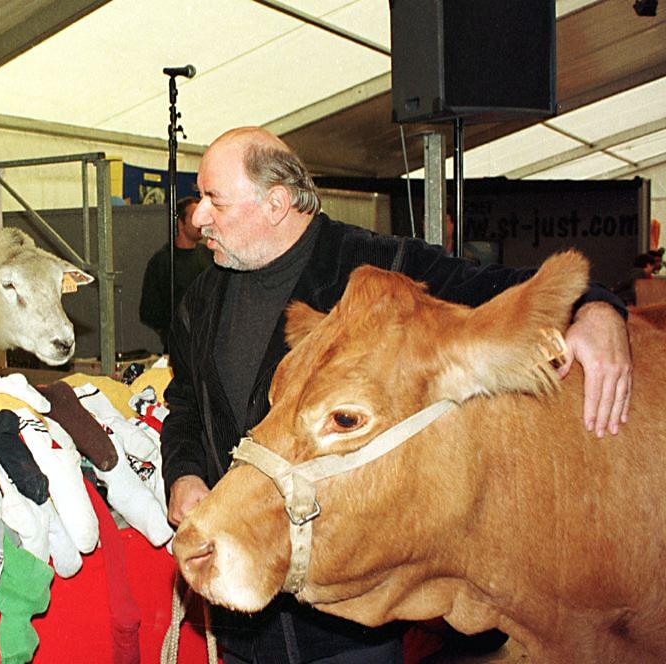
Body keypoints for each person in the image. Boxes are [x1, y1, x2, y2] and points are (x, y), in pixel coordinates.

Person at [160, 127, 632, 664]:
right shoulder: (201, 298)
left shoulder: (377, 266)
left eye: (214, 200)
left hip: (342, 626)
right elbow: (186, 404)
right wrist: (184, 473)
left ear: (276, 203)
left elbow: (500, 289)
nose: (199, 217)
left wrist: (596, 307)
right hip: (241, 610)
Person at [139, 196, 214, 353]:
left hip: (208, 344)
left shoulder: (210, 256)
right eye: (194, 216)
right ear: (180, 223)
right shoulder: (162, 261)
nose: (201, 221)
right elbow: (149, 310)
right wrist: (171, 333)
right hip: (178, 347)